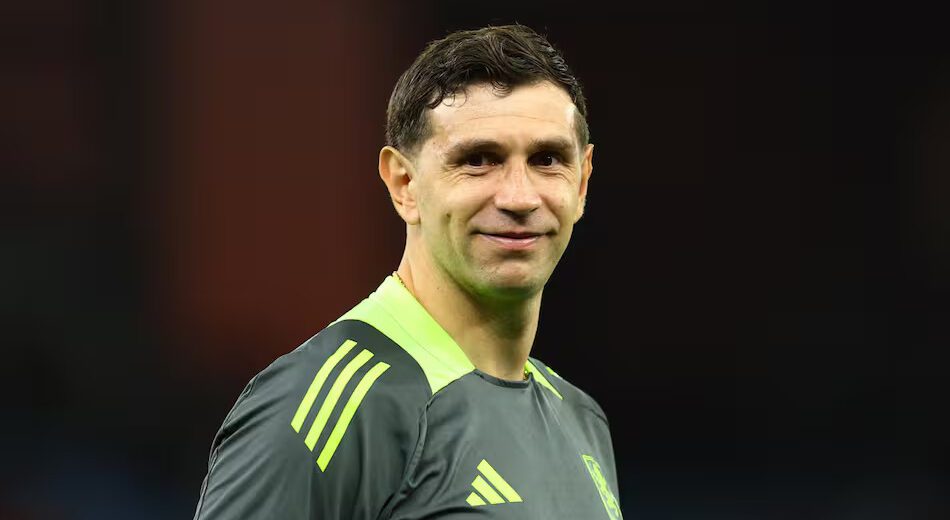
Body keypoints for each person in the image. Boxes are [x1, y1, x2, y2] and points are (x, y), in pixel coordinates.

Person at [193, 24, 622, 519]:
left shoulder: (580, 418)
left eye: (547, 159)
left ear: (582, 182)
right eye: (479, 160)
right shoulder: (333, 402)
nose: (520, 198)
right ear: (404, 184)